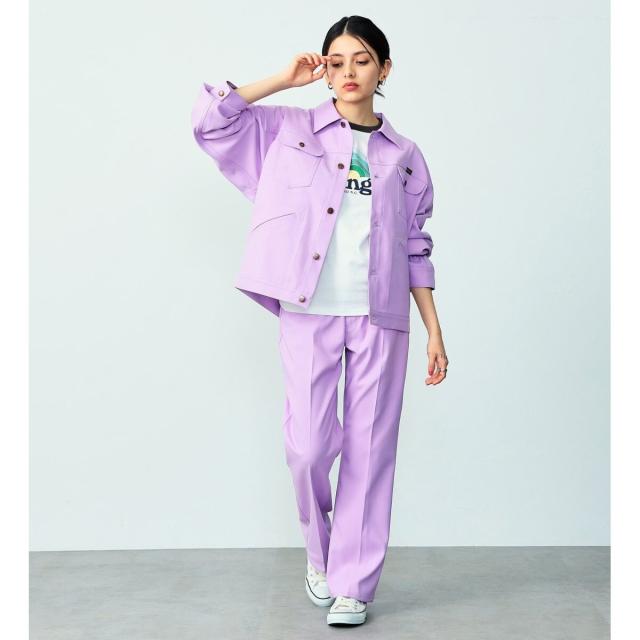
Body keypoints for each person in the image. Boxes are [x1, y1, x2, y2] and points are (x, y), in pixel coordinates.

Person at [191, 14, 449, 627]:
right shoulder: (288, 131)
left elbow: (416, 246)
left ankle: (353, 585)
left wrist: (434, 329)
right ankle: (321, 555)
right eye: (337, 60)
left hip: (381, 317)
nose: (348, 71)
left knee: (370, 450)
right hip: (308, 310)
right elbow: (210, 123)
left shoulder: (405, 157)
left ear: (384, 70)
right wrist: (281, 80)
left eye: (363, 60)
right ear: (324, 69)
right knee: (308, 449)